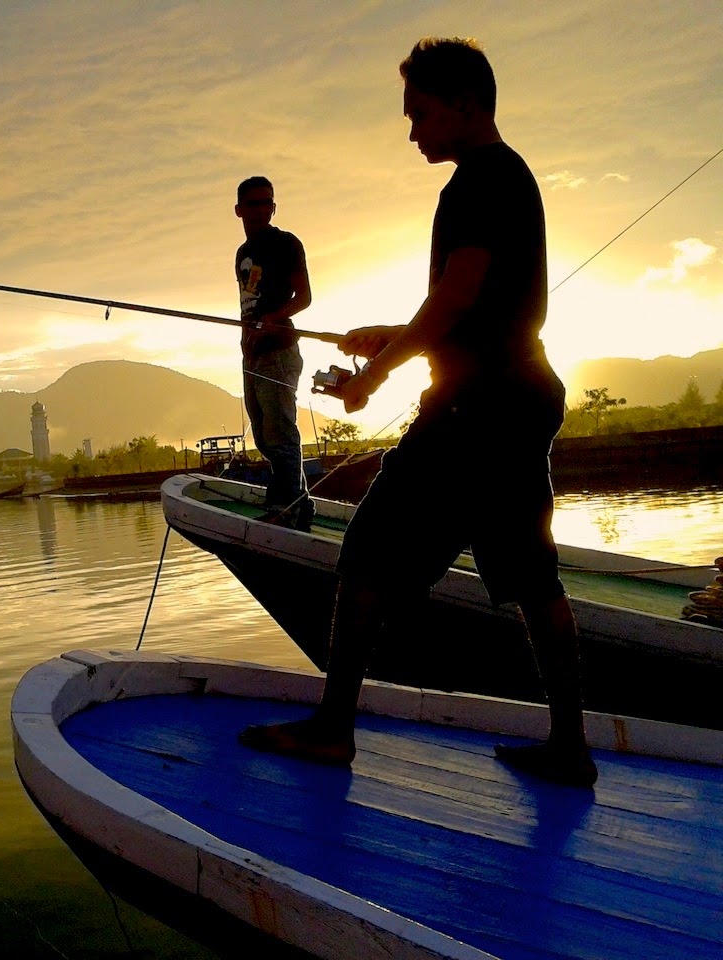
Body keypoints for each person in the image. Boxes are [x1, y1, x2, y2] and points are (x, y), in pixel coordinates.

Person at [240, 38, 597, 787]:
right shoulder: (509, 178)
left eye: (421, 114)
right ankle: (570, 750)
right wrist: (393, 337)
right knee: (533, 577)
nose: (413, 132)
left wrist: (372, 374)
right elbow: (465, 308)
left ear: (465, 103)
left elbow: (458, 296)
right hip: (519, 393)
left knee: (366, 554)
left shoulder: (477, 181)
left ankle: (333, 732)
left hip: (473, 409)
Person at [234, 176, 315, 531]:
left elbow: (304, 298)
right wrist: (246, 339)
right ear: (239, 210)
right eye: (254, 204)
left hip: (280, 350)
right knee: (262, 434)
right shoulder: (242, 254)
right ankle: (302, 502)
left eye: (267, 203)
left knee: (281, 431)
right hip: (251, 354)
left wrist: (271, 319)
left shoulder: (287, 244)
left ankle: (286, 506)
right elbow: (246, 303)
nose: (262, 210)